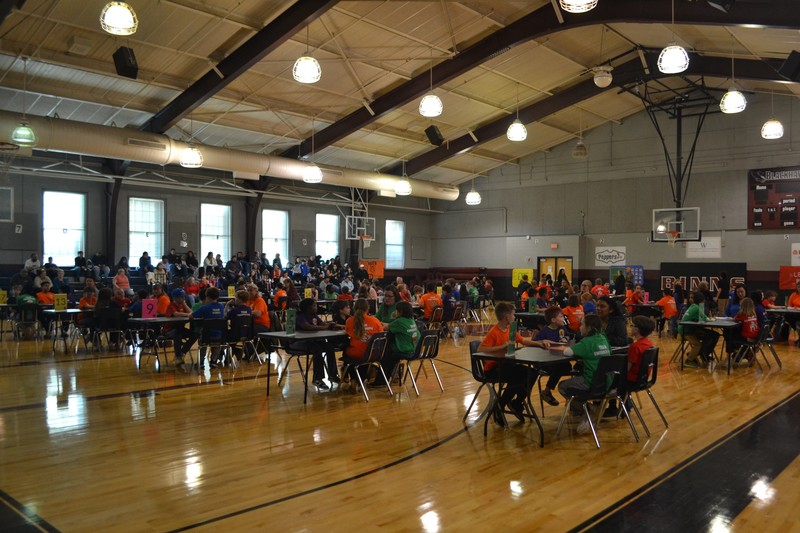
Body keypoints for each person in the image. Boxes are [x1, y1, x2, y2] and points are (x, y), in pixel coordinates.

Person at [478, 302, 551, 425]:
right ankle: (500, 405)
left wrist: (540, 343)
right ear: (507, 316)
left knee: (532, 373)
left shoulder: (510, 329)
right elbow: (481, 349)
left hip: (507, 365)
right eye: (512, 314)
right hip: (493, 368)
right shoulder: (494, 332)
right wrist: (501, 347)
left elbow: (522, 340)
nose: (514, 316)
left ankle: (517, 403)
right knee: (518, 376)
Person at [558, 314, 612, 432]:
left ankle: (587, 410)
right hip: (606, 382)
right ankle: (588, 409)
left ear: (588, 327)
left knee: (562, 386)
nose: (579, 327)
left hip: (590, 381)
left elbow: (568, 352)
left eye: (582, 324)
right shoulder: (604, 338)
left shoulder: (587, 342)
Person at [373, 300, 419, 388]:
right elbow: (391, 325)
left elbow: (385, 328)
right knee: (390, 354)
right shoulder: (411, 320)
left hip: (402, 350)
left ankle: (381, 381)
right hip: (413, 349)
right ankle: (393, 377)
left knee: (385, 355)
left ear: (400, 312)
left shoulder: (399, 321)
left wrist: (377, 323)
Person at [295, 298, 340, 389]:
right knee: (317, 350)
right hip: (301, 342)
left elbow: (323, 324)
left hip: (314, 340)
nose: (316, 307)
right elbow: (307, 327)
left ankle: (333, 375)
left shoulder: (314, 316)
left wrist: (330, 325)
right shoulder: (300, 316)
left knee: (329, 347)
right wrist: (325, 327)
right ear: (307, 308)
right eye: (314, 306)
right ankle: (317, 379)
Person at [177, 287, 226, 368]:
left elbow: (191, 316)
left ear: (207, 296)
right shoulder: (221, 306)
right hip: (219, 336)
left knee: (203, 342)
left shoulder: (204, 307)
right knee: (217, 343)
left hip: (206, 336)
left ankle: (201, 361)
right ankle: (213, 360)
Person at [533, 307, 572, 406]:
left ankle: (571, 394)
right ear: (553, 320)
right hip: (546, 361)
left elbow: (568, 336)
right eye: (561, 316)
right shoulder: (545, 331)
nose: (563, 318)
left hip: (559, 359)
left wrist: (565, 338)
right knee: (560, 367)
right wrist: (542, 341)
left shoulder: (562, 328)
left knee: (568, 366)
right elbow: (535, 342)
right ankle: (546, 391)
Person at [343, 298, 384, 384]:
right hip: (374, 353)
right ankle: (360, 380)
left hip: (357, 353)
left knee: (348, 352)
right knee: (365, 354)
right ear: (367, 308)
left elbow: (347, 333)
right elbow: (381, 334)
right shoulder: (375, 321)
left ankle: (354, 379)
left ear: (354, 308)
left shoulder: (350, 321)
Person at [678, 291, 719, 368]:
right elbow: (704, 319)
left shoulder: (693, 306)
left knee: (712, 335)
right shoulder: (698, 307)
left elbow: (700, 318)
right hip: (687, 331)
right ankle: (690, 359)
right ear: (702, 300)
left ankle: (699, 353)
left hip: (684, 329)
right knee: (703, 341)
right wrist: (713, 319)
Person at [626, 315, 656, 408]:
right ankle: (626, 404)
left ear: (637, 329)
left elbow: (627, 368)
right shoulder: (649, 344)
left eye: (632, 325)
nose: (630, 327)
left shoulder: (635, 347)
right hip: (643, 379)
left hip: (632, 381)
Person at [728, 297, 760, 364]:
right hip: (756, 336)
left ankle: (736, 353)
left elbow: (735, 319)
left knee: (731, 335)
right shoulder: (754, 314)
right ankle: (746, 353)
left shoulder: (742, 314)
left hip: (747, 336)